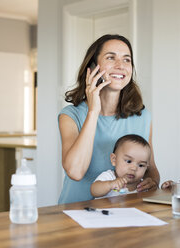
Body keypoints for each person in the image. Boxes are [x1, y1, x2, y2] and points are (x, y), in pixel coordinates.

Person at [58, 34, 160, 204]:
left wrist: (153, 181)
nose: (120, 66)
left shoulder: (142, 116)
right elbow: (75, 172)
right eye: (111, 58)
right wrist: (93, 111)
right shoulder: (70, 115)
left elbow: (151, 169)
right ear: (92, 67)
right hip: (75, 213)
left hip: (124, 214)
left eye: (127, 60)